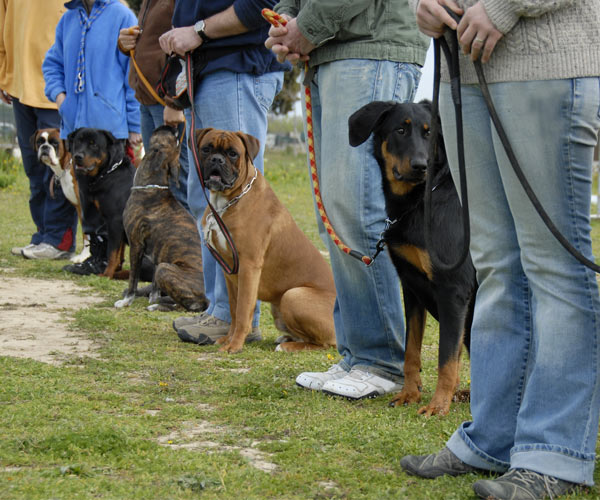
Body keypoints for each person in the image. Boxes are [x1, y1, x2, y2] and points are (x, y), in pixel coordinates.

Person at [399, 1, 600, 498]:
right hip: (460, 76)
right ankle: (492, 436)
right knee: (495, 266)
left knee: (553, 268)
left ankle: (556, 454)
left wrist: (506, 5)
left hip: (544, 66)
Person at [265, 1, 428, 398]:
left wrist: (309, 25)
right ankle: (359, 354)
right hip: (330, 49)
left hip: (370, 45)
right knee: (335, 214)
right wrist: (287, 18)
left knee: (358, 209)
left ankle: (384, 360)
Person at [162, 0, 288, 346]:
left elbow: (261, 5)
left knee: (241, 206)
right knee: (205, 198)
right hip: (206, 68)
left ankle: (235, 320)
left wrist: (197, 31)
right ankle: (220, 309)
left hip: (236, 67)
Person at [43, 0, 142, 275]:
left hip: (110, 132)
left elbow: (131, 74)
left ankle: (122, 261)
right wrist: (61, 98)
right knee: (86, 199)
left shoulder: (122, 14)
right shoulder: (68, 19)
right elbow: (52, 64)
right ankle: (95, 256)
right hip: (75, 126)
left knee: (113, 202)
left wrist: (134, 125)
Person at [1, 0, 78, 260]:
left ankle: (60, 240)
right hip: (19, 83)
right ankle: (43, 235)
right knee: (34, 170)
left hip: (56, 90)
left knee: (57, 173)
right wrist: (3, 72)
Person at [117, 0, 190, 212]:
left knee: (177, 184)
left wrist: (174, 102)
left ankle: (187, 244)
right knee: (158, 181)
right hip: (147, 100)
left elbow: (186, 46)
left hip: (167, 103)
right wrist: (125, 43)